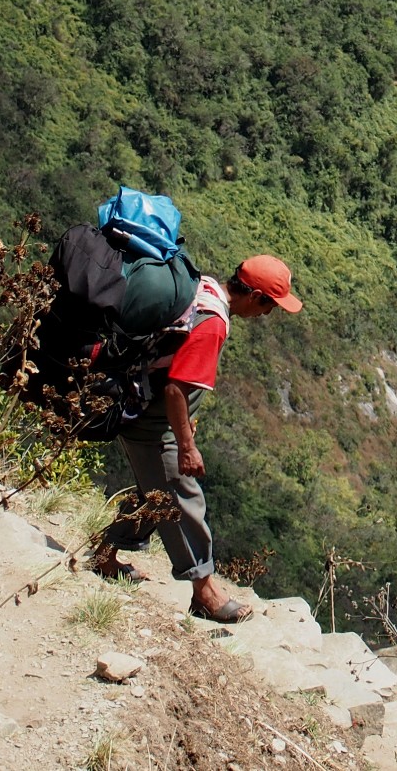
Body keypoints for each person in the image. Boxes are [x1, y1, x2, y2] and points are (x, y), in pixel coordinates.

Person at [101, 254, 302, 623]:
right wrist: (186, 445)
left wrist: (186, 423)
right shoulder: (213, 325)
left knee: (153, 490)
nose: (268, 315)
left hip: (142, 405)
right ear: (255, 295)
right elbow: (177, 389)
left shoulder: (203, 287)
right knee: (183, 497)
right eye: (270, 306)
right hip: (151, 422)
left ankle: (104, 557)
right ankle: (204, 592)